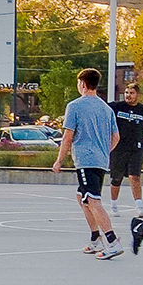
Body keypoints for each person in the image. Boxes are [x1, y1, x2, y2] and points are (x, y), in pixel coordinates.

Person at [48, 68, 121, 260]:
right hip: (100, 161)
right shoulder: (106, 109)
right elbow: (116, 137)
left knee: (93, 200)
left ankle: (112, 241)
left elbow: (68, 136)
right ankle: (95, 237)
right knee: (82, 197)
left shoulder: (75, 106)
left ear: (82, 84)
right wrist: (103, 151)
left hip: (86, 160)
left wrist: (59, 160)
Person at [108, 80, 143, 223]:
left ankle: (139, 206)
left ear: (138, 95)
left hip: (136, 148)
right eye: (126, 93)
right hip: (118, 148)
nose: (128, 95)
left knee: (135, 176)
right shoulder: (116, 107)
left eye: (132, 93)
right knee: (116, 178)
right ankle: (113, 205)